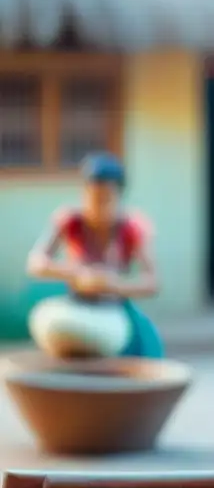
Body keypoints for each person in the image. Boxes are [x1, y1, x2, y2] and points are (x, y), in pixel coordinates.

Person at [25, 151, 163, 359]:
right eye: (93, 198)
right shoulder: (70, 220)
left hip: (114, 307)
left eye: (106, 199)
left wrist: (111, 283)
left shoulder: (132, 227)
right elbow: (35, 263)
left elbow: (152, 282)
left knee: (134, 348)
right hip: (77, 304)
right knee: (52, 325)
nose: (98, 206)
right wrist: (78, 272)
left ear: (119, 197)